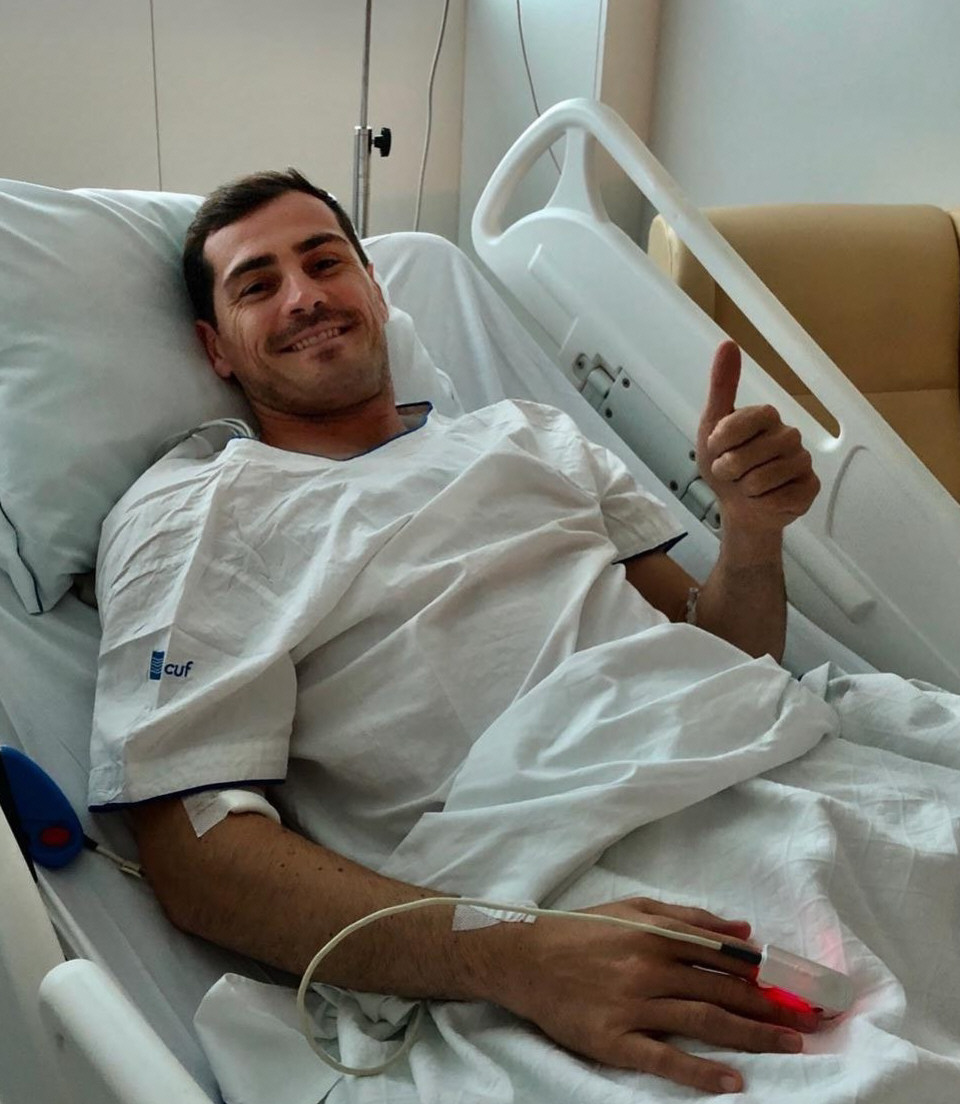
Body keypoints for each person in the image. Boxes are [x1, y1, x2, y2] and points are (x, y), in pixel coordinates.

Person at [90, 170, 828, 1097]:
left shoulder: (532, 436)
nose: (304, 296)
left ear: (376, 289)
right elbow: (197, 857)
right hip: (567, 890)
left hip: (775, 774)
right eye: (258, 284)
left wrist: (753, 535)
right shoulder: (199, 515)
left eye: (325, 262)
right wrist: (514, 954)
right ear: (216, 349)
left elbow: (729, 656)